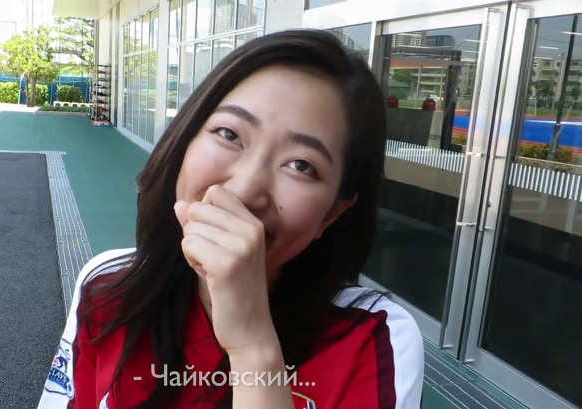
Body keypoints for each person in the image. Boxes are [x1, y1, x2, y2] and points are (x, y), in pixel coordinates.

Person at [37, 29, 424, 409]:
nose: (243, 189)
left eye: (301, 165)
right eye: (228, 133)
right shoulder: (108, 285)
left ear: (333, 213)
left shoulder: (375, 337)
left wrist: (253, 345)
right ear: (186, 139)